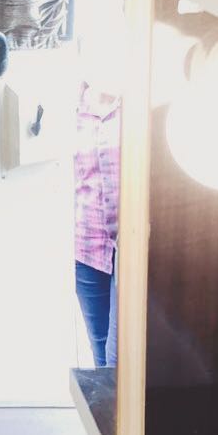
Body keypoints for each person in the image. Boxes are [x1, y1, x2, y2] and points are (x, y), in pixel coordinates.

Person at [74, 78, 121, 368]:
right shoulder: (72, 106)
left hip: (130, 246)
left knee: (118, 358)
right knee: (100, 350)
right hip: (86, 245)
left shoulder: (138, 105)